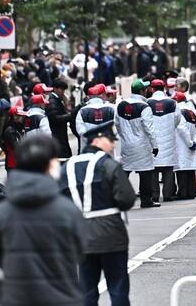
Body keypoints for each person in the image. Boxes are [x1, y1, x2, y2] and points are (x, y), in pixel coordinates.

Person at [0, 135, 85, 306]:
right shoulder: (67, 210)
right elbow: (80, 251)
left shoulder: (2, 212)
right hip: (62, 296)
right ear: (50, 165)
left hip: (16, 297)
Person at [59, 122, 137, 306]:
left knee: (86, 291)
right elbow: (126, 198)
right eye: (110, 140)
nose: (112, 145)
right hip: (111, 235)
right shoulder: (108, 165)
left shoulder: (67, 167)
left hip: (80, 237)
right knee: (117, 288)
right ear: (99, 140)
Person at [115, 80, 159, 208]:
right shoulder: (144, 107)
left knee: (125, 171)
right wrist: (155, 145)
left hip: (127, 144)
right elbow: (149, 128)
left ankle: (118, 198)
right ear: (141, 91)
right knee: (145, 173)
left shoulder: (121, 105)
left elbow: (117, 124)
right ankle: (146, 201)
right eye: (145, 89)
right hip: (142, 145)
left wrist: (124, 136)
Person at [147, 80, 181, 203]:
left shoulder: (147, 103)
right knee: (168, 170)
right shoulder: (172, 102)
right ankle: (167, 195)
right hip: (168, 138)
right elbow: (177, 119)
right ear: (164, 87)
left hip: (153, 140)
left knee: (153, 170)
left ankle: (155, 195)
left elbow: (145, 121)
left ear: (152, 88)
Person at [172, 91, 196, 200]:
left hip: (182, 144)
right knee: (190, 168)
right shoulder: (192, 111)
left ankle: (182, 193)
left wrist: (189, 142)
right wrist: (194, 142)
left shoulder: (178, 111)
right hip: (191, 144)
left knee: (181, 169)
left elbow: (181, 128)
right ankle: (192, 191)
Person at [75, 84, 115, 153]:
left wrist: (93, 142)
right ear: (101, 95)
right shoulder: (111, 109)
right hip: (107, 147)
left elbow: (81, 132)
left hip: (89, 149)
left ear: (89, 97)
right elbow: (116, 129)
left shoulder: (82, 111)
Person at [1, 106, 26, 174]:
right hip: (13, 163)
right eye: (20, 116)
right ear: (14, 116)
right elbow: (16, 146)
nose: (22, 118)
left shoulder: (19, 128)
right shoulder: (10, 130)